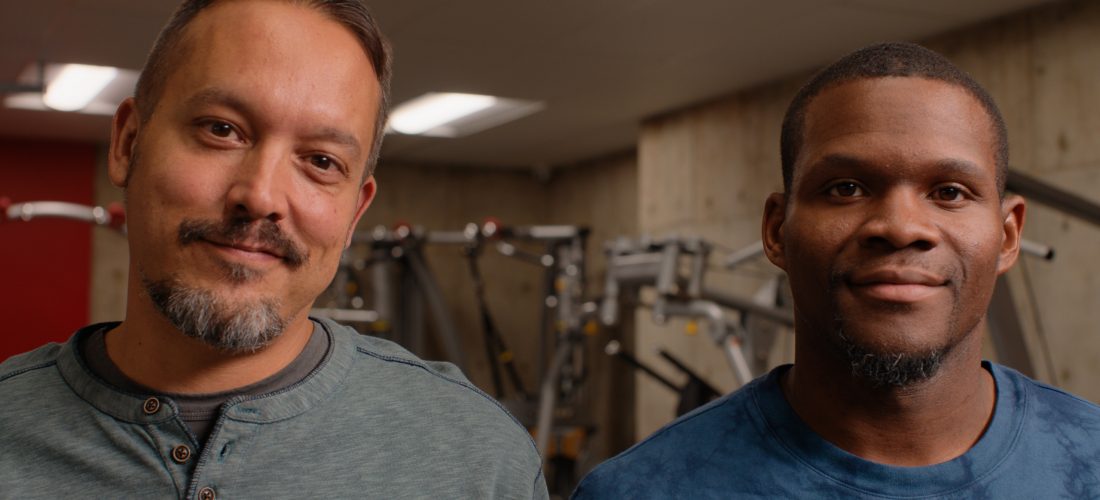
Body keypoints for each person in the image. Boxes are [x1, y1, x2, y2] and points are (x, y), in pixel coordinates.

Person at [0, 1, 547, 498]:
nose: (260, 196)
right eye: (222, 130)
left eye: (321, 162)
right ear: (127, 143)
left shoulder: (481, 460)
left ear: (355, 212)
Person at [573, 42, 1100, 498]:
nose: (901, 227)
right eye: (846, 188)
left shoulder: (1088, 463)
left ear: (1008, 236)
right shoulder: (641, 489)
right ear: (777, 230)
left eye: (949, 192)